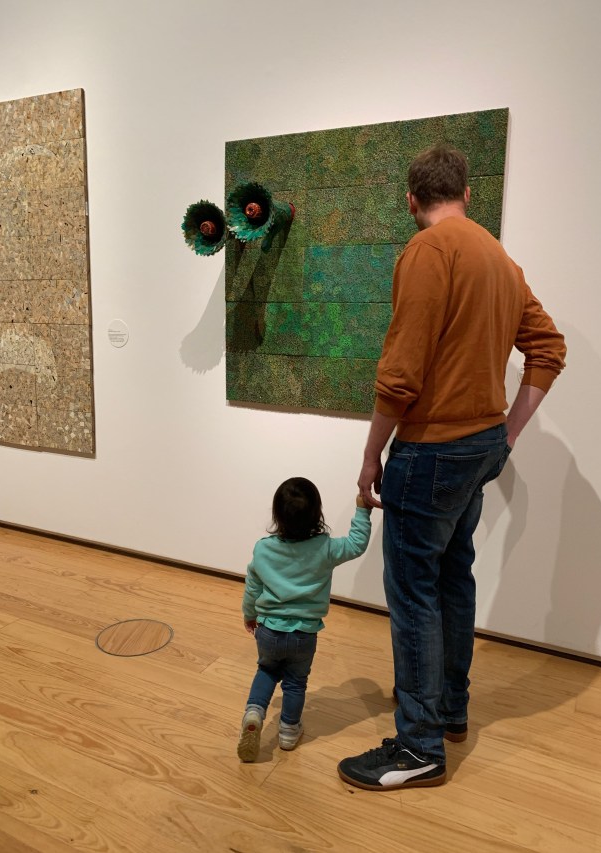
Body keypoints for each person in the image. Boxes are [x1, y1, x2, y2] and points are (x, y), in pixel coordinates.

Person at [337, 144, 566, 791]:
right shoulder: (499, 257)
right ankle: (449, 711)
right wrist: (508, 435)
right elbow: (548, 347)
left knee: (412, 596)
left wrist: (369, 454)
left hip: (432, 449)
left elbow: (401, 375)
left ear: (412, 201)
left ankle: (417, 747)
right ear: (465, 192)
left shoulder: (426, 252)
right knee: (452, 578)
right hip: (478, 447)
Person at [238, 477, 372, 762]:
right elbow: (357, 544)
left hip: (268, 631)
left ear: (276, 515)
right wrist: (362, 509)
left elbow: (252, 587)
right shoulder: (325, 548)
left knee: (266, 671)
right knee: (296, 683)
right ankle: (288, 732)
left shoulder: (263, 549)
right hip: (304, 635)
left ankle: (254, 712)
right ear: (317, 514)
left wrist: (249, 615)